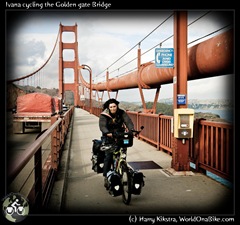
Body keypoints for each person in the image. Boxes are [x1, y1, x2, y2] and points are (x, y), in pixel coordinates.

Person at [99, 98, 134, 188]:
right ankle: (106, 177)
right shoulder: (104, 115)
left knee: (123, 153)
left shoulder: (121, 113)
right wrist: (107, 132)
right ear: (108, 107)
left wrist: (132, 130)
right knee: (109, 156)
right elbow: (102, 125)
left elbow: (128, 121)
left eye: (114, 106)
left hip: (120, 135)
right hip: (108, 136)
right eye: (111, 107)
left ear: (117, 106)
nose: (113, 108)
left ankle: (122, 168)